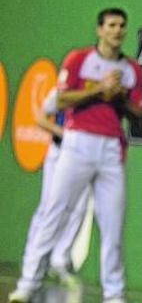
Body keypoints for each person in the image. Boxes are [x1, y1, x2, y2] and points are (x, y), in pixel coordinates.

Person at [8, 7, 142, 303]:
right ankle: (28, 283)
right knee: (54, 211)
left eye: (122, 26)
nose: (117, 31)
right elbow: (59, 100)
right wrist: (99, 89)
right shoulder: (79, 59)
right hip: (77, 142)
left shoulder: (133, 70)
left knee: (112, 224)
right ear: (99, 30)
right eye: (111, 25)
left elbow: (139, 113)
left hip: (111, 149)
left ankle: (114, 295)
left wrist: (120, 96)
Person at [23, 89, 92, 287]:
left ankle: (59, 261)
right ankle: (33, 259)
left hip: (83, 156)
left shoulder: (96, 94)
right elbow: (41, 119)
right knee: (49, 206)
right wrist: (64, 133)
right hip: (59, 153)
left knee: (78, 208)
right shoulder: (62, 91)